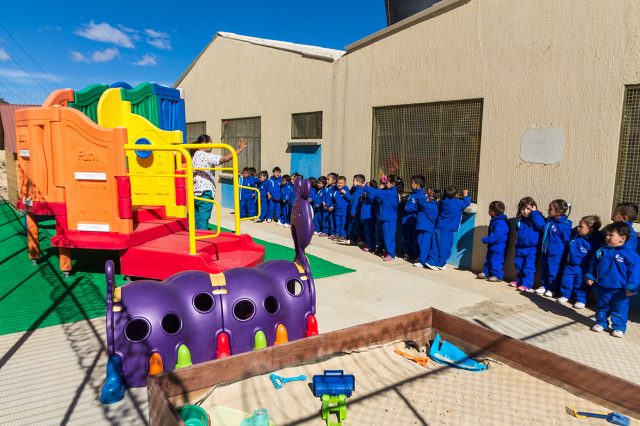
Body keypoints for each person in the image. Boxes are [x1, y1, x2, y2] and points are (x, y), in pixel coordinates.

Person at [585, 222, 640, 338]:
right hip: (602, 287)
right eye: (607, 235)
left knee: (619, 309)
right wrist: (590, 275)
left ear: (622, 238)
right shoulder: (602, 251)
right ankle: (601, 322)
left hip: (621, 290)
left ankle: (618, 327)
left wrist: (632, 287)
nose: (607, 237)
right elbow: (593, 264)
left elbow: (634, 272)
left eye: (611, 235)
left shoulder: (630, 255)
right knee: (601, 306)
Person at [192, 134, 247, 230]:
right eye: (211, 142)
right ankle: (201, 240)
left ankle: (193, 237)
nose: (212, 145)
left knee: (196, 219)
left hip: (195, 191)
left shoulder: (195, 155)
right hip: (205, 191)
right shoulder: (206, 156)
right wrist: (240, 149)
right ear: (204, 143)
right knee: (203, 219)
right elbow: (224, 159)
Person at [558, 215, 602, 308]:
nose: (578, 228)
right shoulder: (576, 236)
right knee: (566, 281)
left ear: (591, 229)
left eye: (581, 226)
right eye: (579, 225)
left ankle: (581, 299)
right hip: (570, 265)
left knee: (581, 284)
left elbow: (593, 258)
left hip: (583, 268)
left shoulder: (593, 242)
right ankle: (565, 295)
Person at [426, 186, 471, 270]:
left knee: (435, 245)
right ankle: (440, 263)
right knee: (445, 247)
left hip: (439, 227)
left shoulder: (443, 202)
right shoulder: (457, 203)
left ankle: (432, 261)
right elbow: (466, 203)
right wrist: (465, 195)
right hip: (447, 230)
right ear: (456, 195)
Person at [536, 199, 572, 297]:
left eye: (550, 209)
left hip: (556, 254)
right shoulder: (550, 220)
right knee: (544, 270)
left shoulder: (564, 226)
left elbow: (566, 241)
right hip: (545, 251)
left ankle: (552, 288)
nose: (548, 210)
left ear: (559, 212)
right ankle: (544, 285)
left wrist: (564, 253)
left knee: (553, 271)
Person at [510, 197, 546, 292]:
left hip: (532, 249)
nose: (525, 211)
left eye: (528, 209)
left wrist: (534, 213)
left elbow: (541, 225)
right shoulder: (520, 219)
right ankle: (519, 281)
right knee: (518, 265)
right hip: (520, 247)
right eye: (523, 209)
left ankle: (527, 284)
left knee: (528, 267)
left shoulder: (536, 217)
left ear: (534, 208)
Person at [363, 175, 402, 261]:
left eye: (387, 182)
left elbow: (376, 193)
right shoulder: (389, 192)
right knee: (384, 236)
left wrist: (366, 187)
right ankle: (386, 251)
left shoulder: (390, 193)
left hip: (389, 219)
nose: (385, 183)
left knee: (389, 237)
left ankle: (391, 254)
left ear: (392, 184)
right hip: (384, 218)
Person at [477, 201, 509, 282]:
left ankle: (497, 275)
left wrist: (486, 239)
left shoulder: (500, 223)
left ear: (493, 212)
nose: (488, 211)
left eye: (489, 210)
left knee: (496, 261)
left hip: (499, 246)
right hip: (493, 246)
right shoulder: (495, 220)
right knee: (488, 259)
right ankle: (486, 272)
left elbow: (496, 235)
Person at [402, 176, 424, 262]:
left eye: (412, 182)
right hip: (406, 221)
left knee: (415, 240)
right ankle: (407, 253)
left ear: (417, 185)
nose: (410, 184)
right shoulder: (412, 194)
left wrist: (408, 208)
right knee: (406, 238)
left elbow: (419, 208)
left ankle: (416, 255)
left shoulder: (421, 195)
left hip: (414, 221)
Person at [348, 174, 366, 245]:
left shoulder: (360, 191)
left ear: (358, 182)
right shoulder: (355, 191)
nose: (353, 183)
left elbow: (356, 202)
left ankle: (361, 239)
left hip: (355, 212)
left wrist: (353, 211)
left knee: (357, 226)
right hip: (352, 212)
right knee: (353, 226)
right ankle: (353, 239)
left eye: (354, 181)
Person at [360, 180, 377, 252]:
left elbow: (372, 200)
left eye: (368, 186)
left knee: (370, 231)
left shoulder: (372, 195)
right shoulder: (365, 194)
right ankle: (368, 244)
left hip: (369, 216)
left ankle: (371, 245)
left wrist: (367, 194)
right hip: (364, 216)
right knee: (366, 231)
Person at [333, 176, 351, 241]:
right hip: (337, 210)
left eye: (341, 183)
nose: (339, 184)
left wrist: (345, 193)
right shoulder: (336, 190)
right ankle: (337, 234)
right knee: (337, 222)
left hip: (344, 210)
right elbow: (334, 200)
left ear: (345, 184)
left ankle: (343, 235)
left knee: (343, 223)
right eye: (338, 183)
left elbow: (350, 198)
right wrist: (333, 206)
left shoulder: (346, 190)